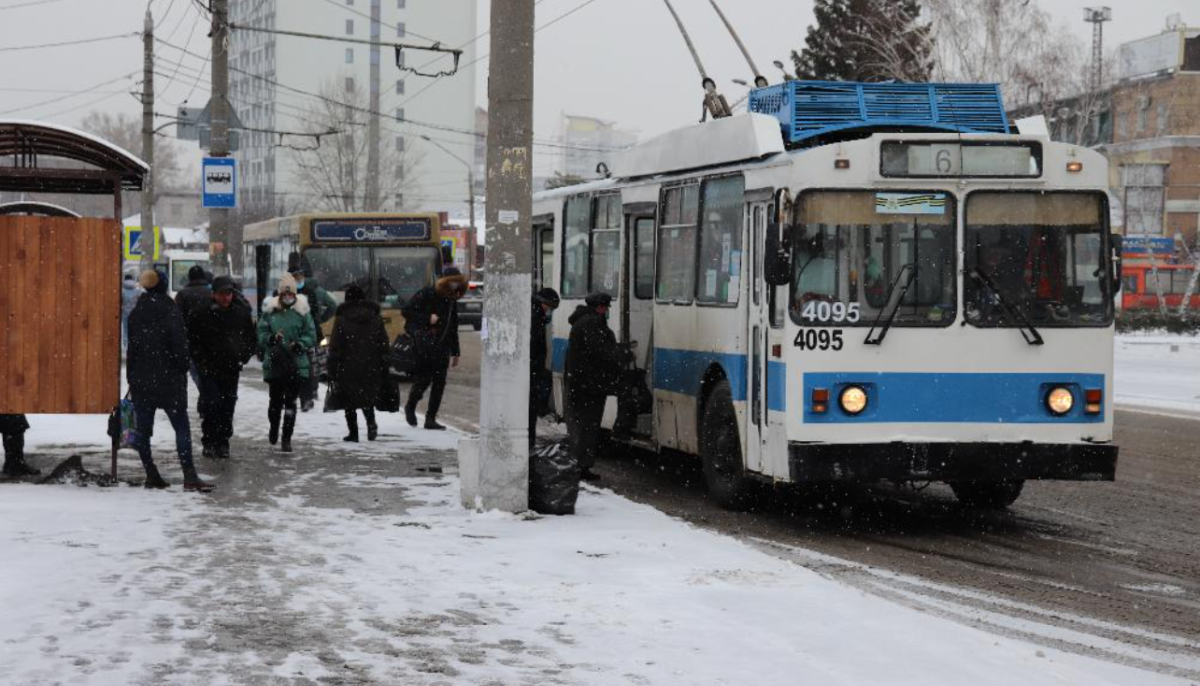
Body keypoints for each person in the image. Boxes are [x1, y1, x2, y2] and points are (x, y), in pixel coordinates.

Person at [126, 270, 213, 492]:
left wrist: (133, 377)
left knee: (143, 431)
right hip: (170, 382)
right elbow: (180, 348)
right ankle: (189, 476)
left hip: (143, 381)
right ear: (164, 286)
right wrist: (181, 368)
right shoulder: (170, 310)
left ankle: (151, 473)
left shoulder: (136, 313)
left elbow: (132, 350)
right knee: (181, 428)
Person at [187, 275, 258, 459]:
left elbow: (251, 340)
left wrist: (242, 357)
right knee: (211, 404)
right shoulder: (201, 313)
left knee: (228, 405)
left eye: (228, 293)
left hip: (230, 368)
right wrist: (200, 360)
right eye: (221, 294)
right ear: (214, 294)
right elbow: (192, 340)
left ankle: (223, 441)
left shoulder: (240, 314)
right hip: (208, 368)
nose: (226, 297)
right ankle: (209, 441)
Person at [564, 292, 622, 482]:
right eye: (606, 308)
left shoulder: (582, 321)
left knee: (583, 426)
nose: (606, 312)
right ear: (600, 307)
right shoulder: (591, 323)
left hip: (582, 384)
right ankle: (581, 466)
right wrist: (623, 353)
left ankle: (580, 465)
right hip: (589, 386)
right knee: (588, 427)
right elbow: (601, 352)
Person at [402, 267, 468, 431]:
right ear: (444, 281)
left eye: (457, 282)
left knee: (440, 383)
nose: (454, 285)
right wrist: (427, 318)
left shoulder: (452, 299)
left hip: (442, 346)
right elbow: (406, 311)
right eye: (451, 282)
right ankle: (410, 406)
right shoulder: (427, 293)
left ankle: (430, 419)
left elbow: (453, 326)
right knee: (423, 380)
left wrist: (456, 351)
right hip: (425, 345)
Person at [258, 273, 317, 453]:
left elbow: (311, 334)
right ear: (280, 295)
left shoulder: (302, 311)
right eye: (285, 295)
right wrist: (271, 339)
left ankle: (286, 438)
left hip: (295, 364)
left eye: (291, 295)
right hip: (275, 363)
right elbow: (261, 334)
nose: (288, 298)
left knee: (290, 403)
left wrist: (300, 344)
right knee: (275, 402)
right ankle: (274, 427)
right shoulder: (270, 311)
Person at [328, 284, 390, 442]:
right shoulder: (375, 317)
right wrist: (383, 362)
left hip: (348, 366)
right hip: (371, 364)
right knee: (366, 397)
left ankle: (353, 433)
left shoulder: (341, 319)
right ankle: (371, 424)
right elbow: (383, 342)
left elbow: (335, 346)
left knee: (349, 401)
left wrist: (333, 367)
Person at [288, 254, 337, 412]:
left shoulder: (303, 292)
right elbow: (330, 307)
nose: (298, 278)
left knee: (303, 365)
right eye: (296, 276)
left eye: (299, 275)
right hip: (311, 333)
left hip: (305, 334)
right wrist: (320, 320)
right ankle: (308, 393)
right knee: (310, 365)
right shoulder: (317, 290)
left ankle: (304, 397)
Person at [529, 287, 561, 451]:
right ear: (543, 304)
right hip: (531, 371)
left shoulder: (537, 316)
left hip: (533, 370)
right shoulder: (534, 318)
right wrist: (535, 370)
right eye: (550, 308)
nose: (550, 312)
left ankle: (530, 443)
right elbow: (533, 347)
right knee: (529, 411)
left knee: (531, 411)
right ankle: (529, 444)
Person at [121, 273, 141, 353]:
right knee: (135, 329)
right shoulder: (138, 291)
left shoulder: (121, 291)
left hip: (125, 312)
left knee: (125, 329)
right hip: (135, 313)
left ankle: (126, 345)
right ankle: (134, 344)